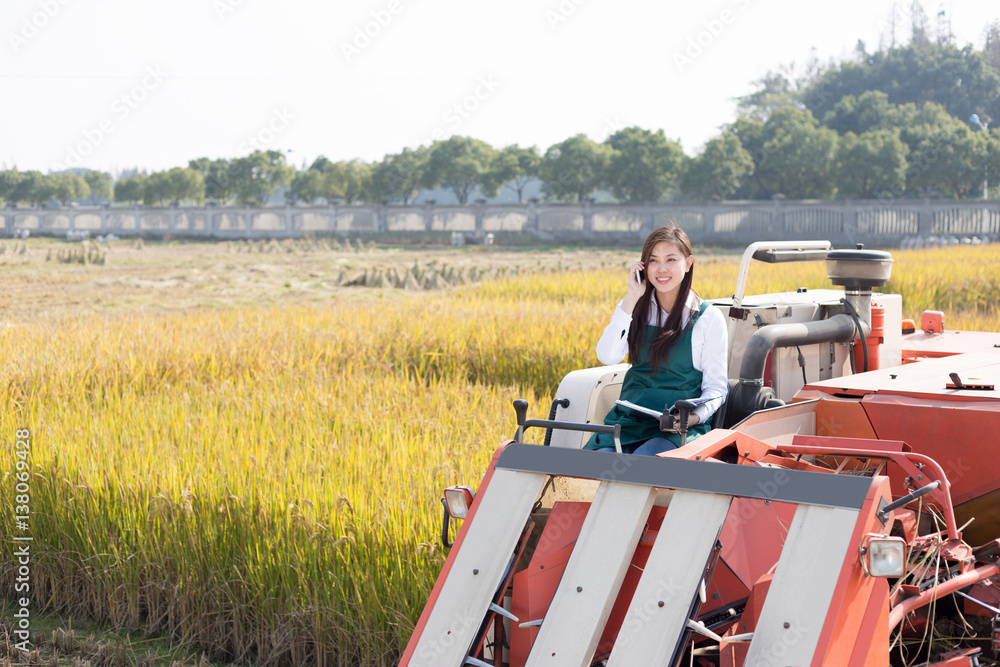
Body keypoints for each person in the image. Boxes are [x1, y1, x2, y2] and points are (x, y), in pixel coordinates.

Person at [584, 225, 728, 455]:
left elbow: (716, 388)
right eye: (653, 261)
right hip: (629, 420)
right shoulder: (633, 307)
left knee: (642, 464)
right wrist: (631, 297)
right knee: (602, 462)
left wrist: (691, 418)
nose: (662, 269)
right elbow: (607, 356)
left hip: (675, 429)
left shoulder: (708, 318)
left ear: (688, 263)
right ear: (643, 266)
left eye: (671, 259)